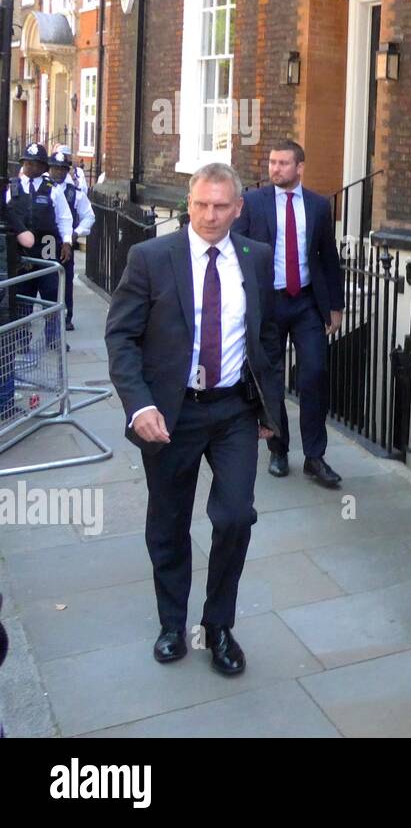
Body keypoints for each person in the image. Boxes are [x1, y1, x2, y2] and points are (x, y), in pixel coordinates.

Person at [104, 163, 283, 676]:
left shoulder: (255, 258)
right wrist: (139, 406)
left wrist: (268, 410)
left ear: (238, 208)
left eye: (221, 205)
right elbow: (121, 337)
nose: (210, 215)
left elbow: (266, 338)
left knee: (233, 517)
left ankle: (219, 625)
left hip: (232, 412)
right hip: (170, 412)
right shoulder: (151, 258)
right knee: (169, 520)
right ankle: (171, 622)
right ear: (189, 203)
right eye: (202, 204)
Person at [231, 140, 345, 487]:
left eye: (283, 163)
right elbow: (236, 250)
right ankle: (278, 450)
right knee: (271, 376)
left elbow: (328, 257)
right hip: (268, 303)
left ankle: (315, 456)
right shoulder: (252, 203)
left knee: (314, 373)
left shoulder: (317, 205)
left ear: (300, 167)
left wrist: (336, 306)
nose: (275, 169)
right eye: (272, 162)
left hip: (307, 302)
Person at [5, 143, 73, 351]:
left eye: (35, 163)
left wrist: (67, 241)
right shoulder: (12, 187)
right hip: (22, 252)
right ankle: (21, 340)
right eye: (27, 162)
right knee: (22, 295)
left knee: (51, 295)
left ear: (43, 166)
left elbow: (64, 216)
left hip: (47, 249)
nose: (30, 166)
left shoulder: (52, 188)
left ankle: (53, 337)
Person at [47, 148, 94, 331]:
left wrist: (76, 233)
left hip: (65, 243)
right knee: (47, 281)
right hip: (46, 242)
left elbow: (89, 216)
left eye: (62, 169)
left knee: (65, 280)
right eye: (54, 168)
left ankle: (67, 316)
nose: (58, 172)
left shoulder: (76, 193)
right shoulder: (45, 188)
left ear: (67, 171)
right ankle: (48, 316)